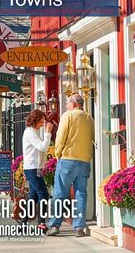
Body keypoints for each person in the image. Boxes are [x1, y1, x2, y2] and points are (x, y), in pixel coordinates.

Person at [46, 94, 94, 238]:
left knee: (60, 193)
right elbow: (92, 137)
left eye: (67, 103)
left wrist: (57, 153)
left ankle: (55, 225)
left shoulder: (68, 116)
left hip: (68, 159)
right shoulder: (89, 118)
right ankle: (79, 227)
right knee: (81, 193)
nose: (66, 106)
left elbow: (60, 137)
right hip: (84, 160)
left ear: (73, 104)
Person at [22, 109, 53, 232]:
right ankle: (41, 224)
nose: (43, 124)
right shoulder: (30, 132)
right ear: (36, 121)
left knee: (33, 196)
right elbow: (42, 147)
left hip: (35, 168)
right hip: (33, 168)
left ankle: (24, 222)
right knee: (43, 194)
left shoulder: (33, 132)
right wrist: (48, 133)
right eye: (41, 121)